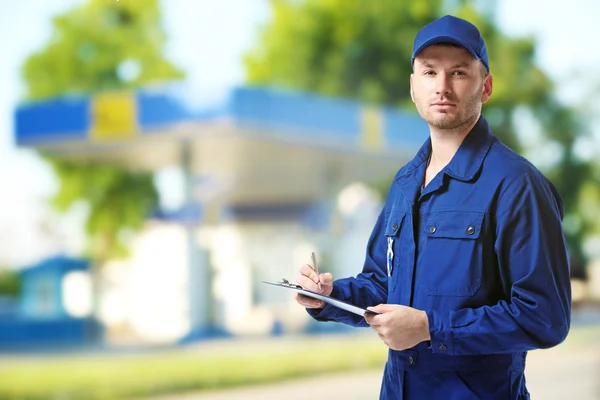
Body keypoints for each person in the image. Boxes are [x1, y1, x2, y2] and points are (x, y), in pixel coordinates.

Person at [294, 14, 571, 400]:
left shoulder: (517, 186)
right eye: (429, 72)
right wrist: (327, 297)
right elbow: (381, 284)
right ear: (413, 87)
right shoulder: (406, 182)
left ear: (485, 86)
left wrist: (430, 328)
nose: (442, 86)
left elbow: (545, 318)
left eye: (458, 72)